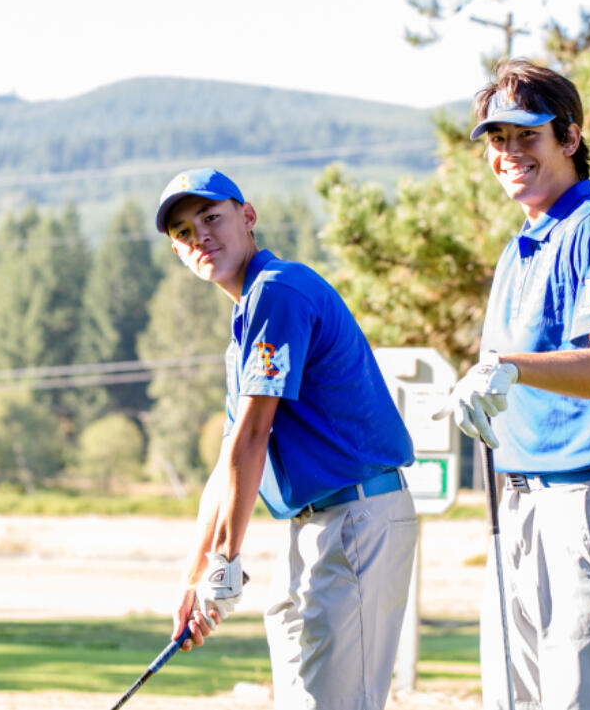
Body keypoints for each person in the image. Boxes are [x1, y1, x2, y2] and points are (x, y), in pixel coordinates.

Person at [440, 59, 590, 710]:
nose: (509, 154)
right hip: (521, 502)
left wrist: (509, 367)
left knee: (582, 701)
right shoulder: (523, 246)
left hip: (587, 502)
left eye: (527, 136)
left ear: (570, 137)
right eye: (497, 140)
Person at [154, 167, 418, 710]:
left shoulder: (278, 292)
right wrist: (195, 575)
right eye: (183, 233)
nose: (199, 236)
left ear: (247, 217)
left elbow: (253, 437)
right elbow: (229, 459)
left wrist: (226, 558)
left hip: (354, 521)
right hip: (314, 529)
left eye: (210, 217)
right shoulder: (248, 319)